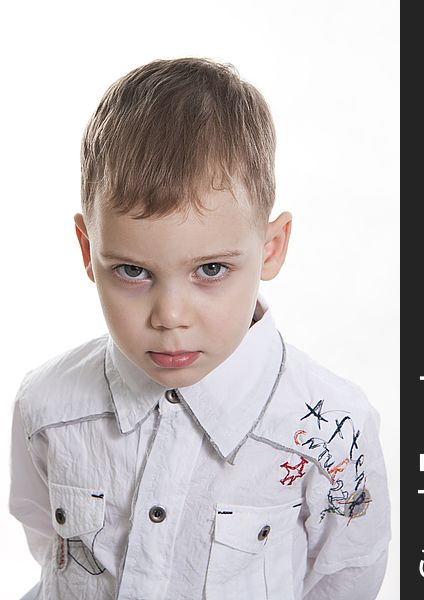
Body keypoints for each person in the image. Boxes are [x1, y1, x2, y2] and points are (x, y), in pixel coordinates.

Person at [8, 57, 391, 600]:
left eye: (211, 270)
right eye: (133, 271)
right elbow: (51, 552)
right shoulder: (47, 404)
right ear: (88, 251)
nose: (170, 316)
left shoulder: (333, 430)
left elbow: (345, 581)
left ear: (272, 248)